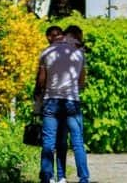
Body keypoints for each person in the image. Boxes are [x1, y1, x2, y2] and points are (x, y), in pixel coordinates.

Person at [34, 24, 90, 183]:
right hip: (72, 101)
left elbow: (41, 80)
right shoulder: (79, 54)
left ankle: (47, 177)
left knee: (49, 142)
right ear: (75, 36)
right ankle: (84, 178)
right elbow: (81, 82)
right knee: (78, 142)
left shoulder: (47, 52)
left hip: (51, 101)